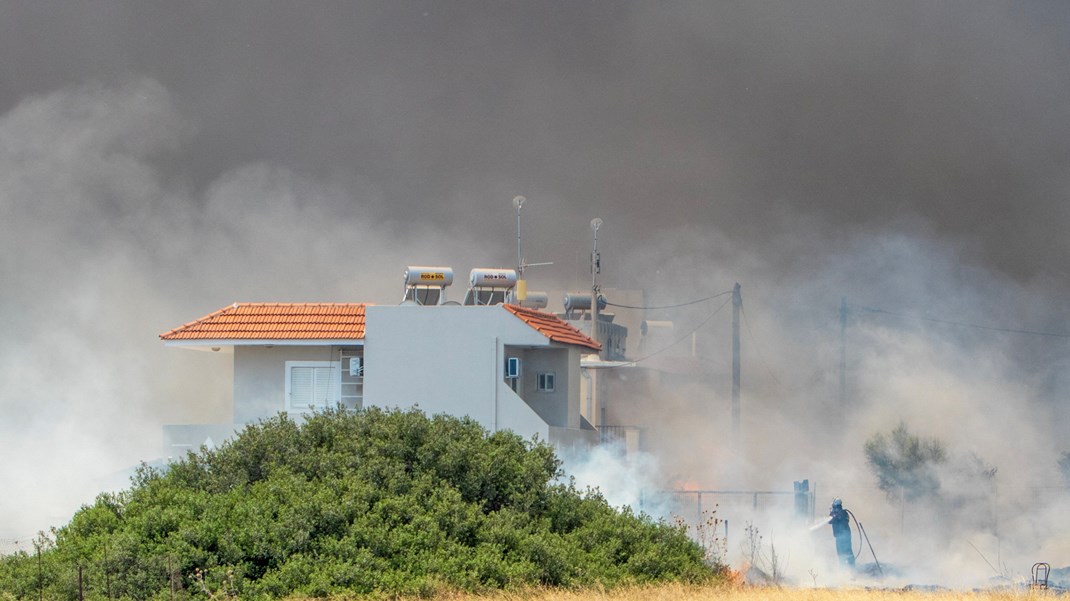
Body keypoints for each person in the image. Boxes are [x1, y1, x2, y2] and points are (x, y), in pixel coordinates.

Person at [828, 498, 855, 567]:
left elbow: (845, 520)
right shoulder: (834, 514)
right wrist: (834, 515)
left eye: (834, 506)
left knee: (848, 551)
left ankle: (852, 567)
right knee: (840, 553)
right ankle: (843, 568)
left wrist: (837, 517)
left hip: (845, 536)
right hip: (838, 536)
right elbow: (829, 521)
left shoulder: (843, 513)